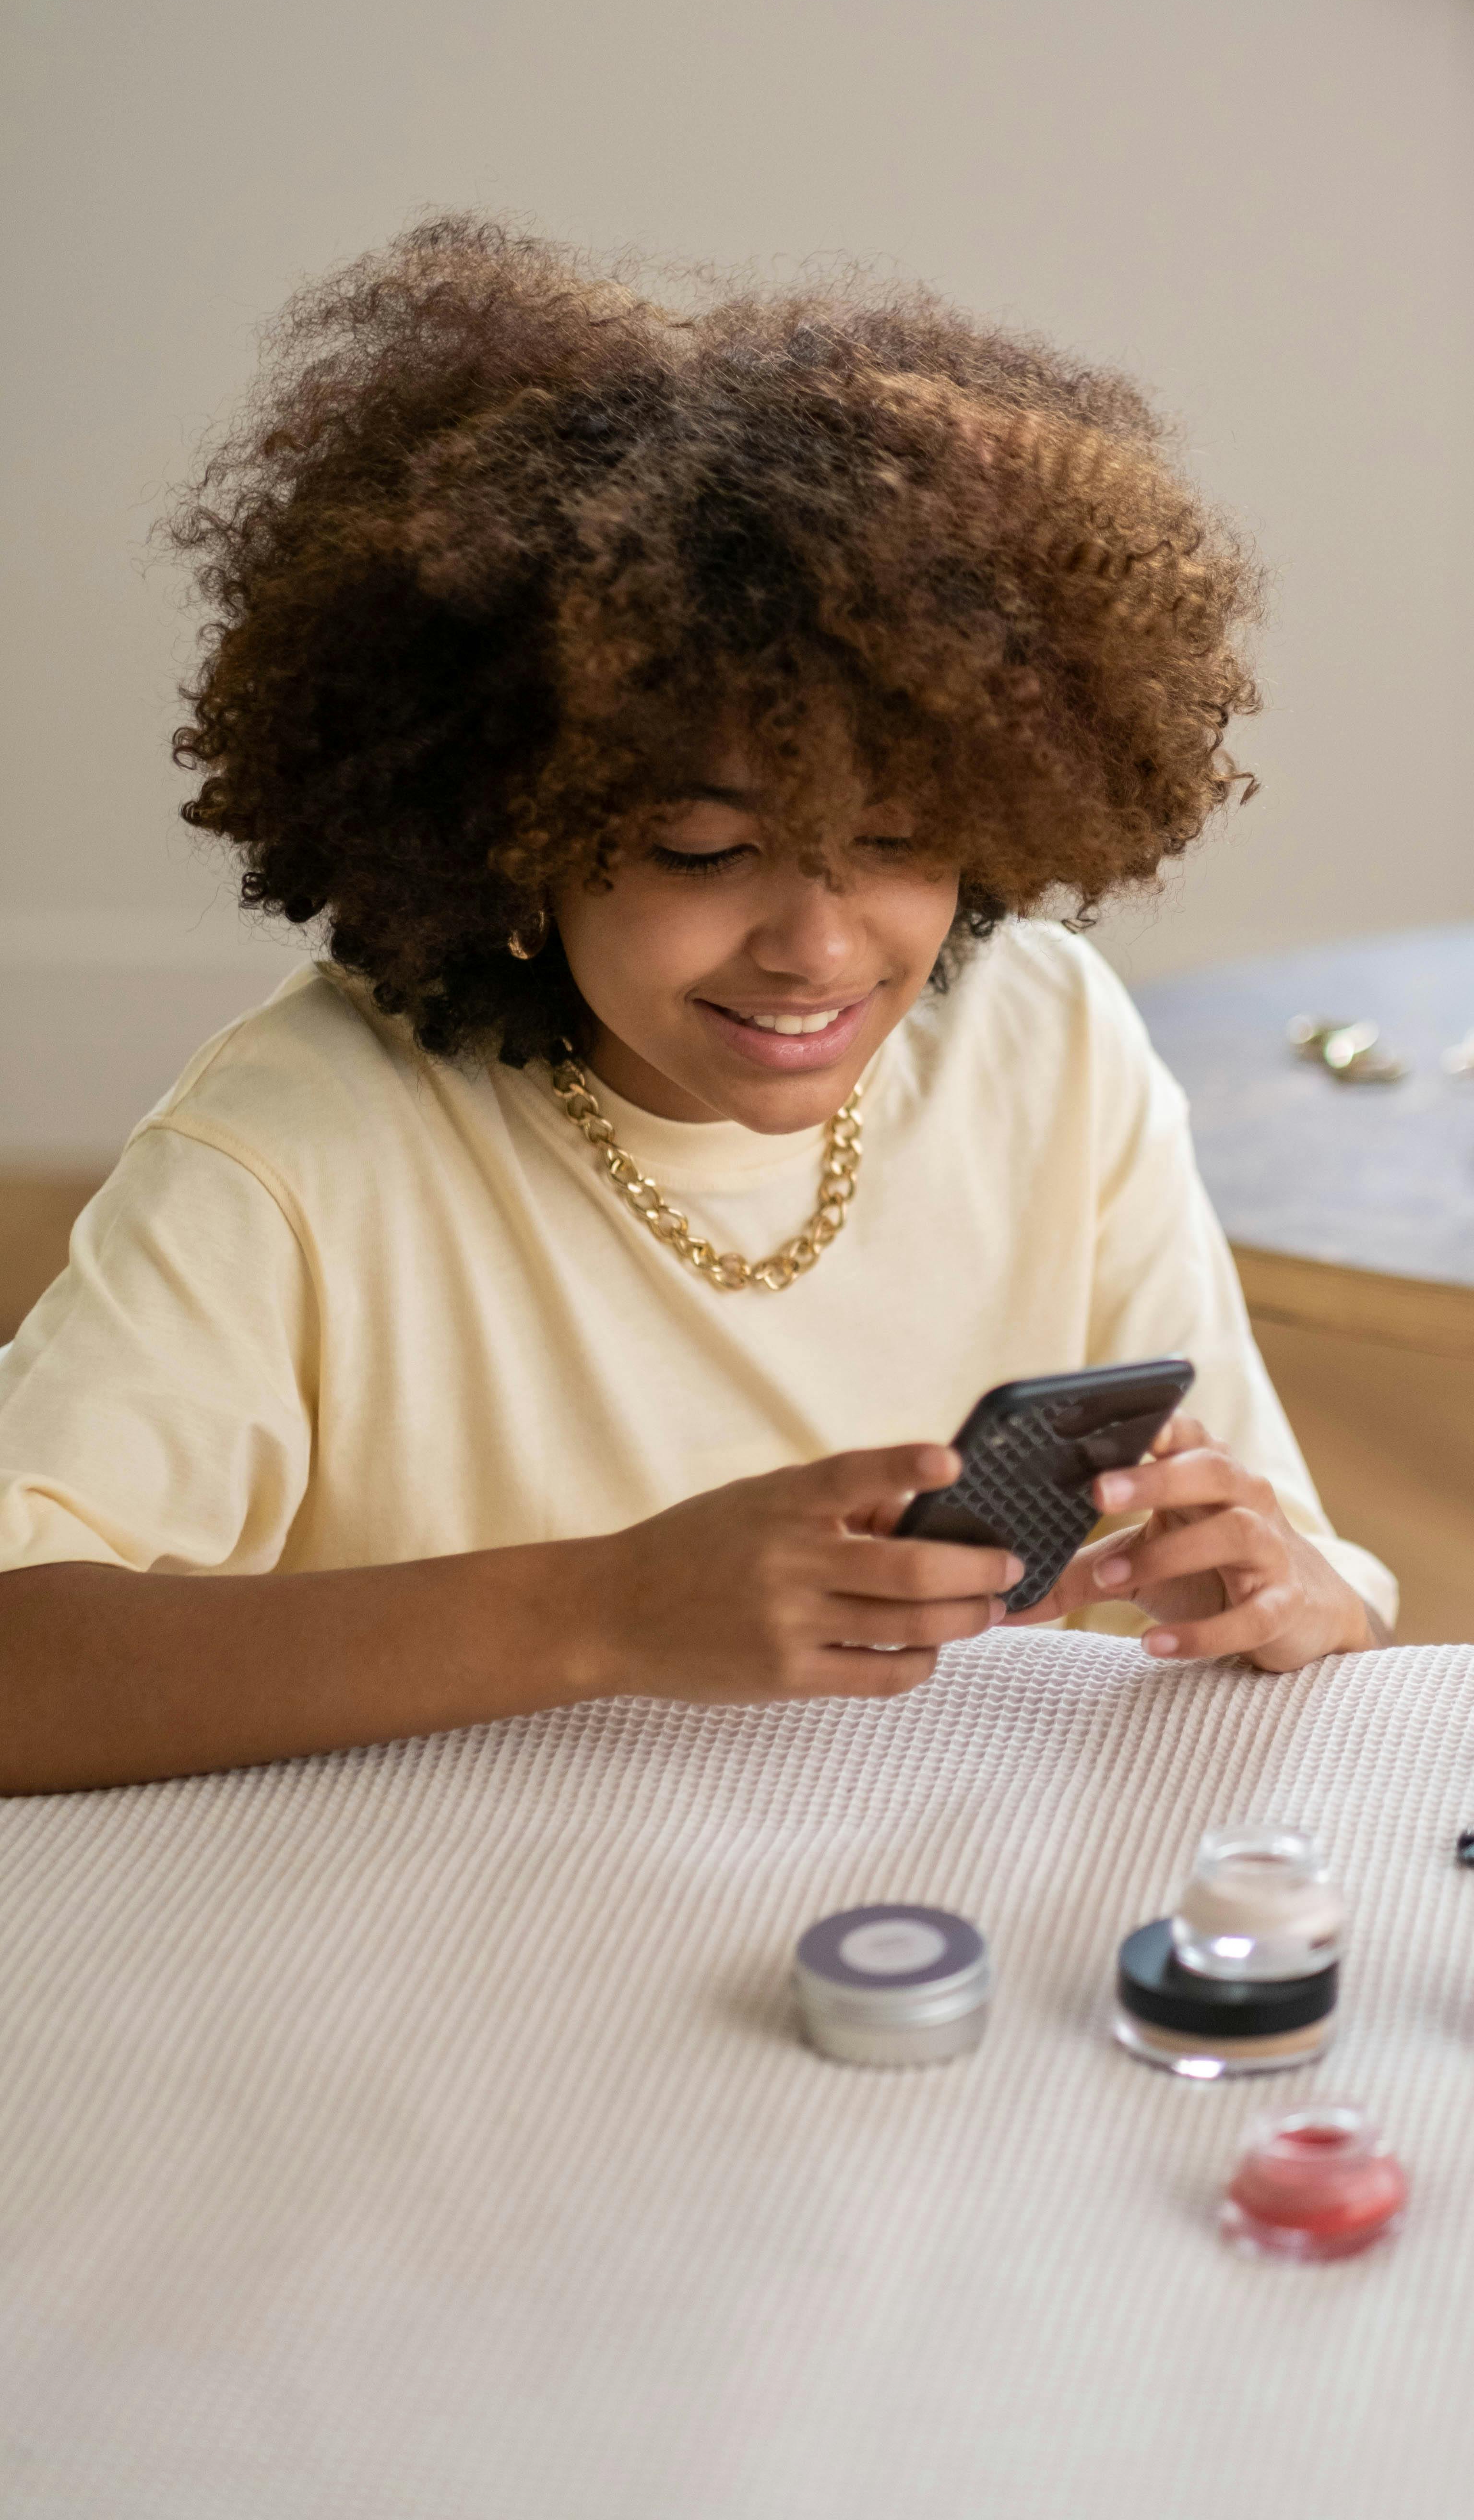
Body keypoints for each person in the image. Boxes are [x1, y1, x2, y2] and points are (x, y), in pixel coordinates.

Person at [0, 218, 1395, 1794]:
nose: (817, 945)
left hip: (929, 1923)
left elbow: (1290, 1551)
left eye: (894, 841)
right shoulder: (300, 1143)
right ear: (513, 832)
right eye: (704, 851)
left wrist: (1290, 1586)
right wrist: (599, 1608)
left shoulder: (1042, 1035)